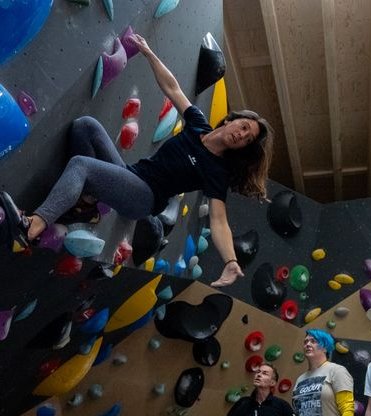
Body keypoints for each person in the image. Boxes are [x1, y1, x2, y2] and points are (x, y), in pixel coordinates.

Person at [24, 34, 273, 287]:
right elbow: (172, 88)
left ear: (243, 147)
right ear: (231, 120)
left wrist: (231, 261)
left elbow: (219, 220)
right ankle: (85, 205)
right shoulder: (198, 125)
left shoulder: (216, 170)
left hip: (144, 197)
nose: (241, 135)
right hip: (132, 174)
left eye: (247, 138)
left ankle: (35, 224)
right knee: (85, 127)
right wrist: (148, 52)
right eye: (243, 127)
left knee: (82, 165)